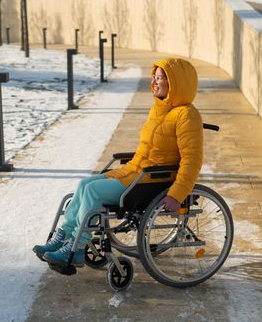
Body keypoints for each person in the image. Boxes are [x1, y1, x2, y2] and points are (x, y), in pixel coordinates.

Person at [33, 58, 203, 268]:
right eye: (154, 76)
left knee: (93, 192)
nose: (154, 81)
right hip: (137, 172)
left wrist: (177, 194)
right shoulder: (158, 110)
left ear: (175, 83)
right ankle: (63, 237)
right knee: (84, 185)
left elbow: (192, 160)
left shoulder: (187, 115)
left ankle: (77, 248)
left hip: (152, 180)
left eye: (159, 78)